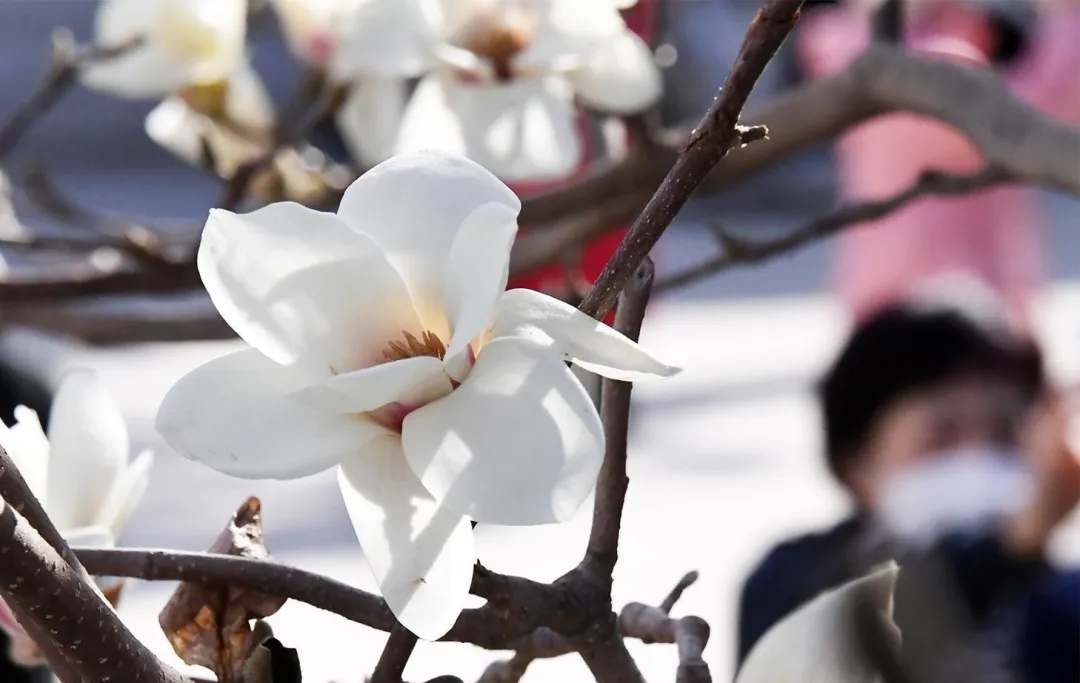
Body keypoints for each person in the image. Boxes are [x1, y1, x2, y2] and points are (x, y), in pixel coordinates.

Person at [735, 292, 1080, 680]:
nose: (978, 456)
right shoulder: (792, 579)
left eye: (1005, 433)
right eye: (941, 436)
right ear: (857, 463)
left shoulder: (1058, 598)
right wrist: (1011, 545)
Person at [795, 0, 1080, 331]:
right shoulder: (882, 57)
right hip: (924, 306)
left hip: (962, 292)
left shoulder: (955, 35)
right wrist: (1064, 17)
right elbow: (1028, 122)